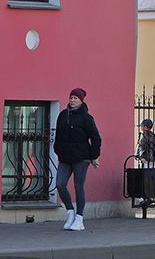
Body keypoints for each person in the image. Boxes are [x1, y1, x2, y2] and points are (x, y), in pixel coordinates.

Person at [54, 88, 101, 231]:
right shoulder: (63, 115)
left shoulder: (86, 118)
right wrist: (58, 152)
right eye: (71, 98)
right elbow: (58, 135)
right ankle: (70, 212)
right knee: (60, 184)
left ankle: (79, 219)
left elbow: (96, 138)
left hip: (81, 157)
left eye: (75, 98)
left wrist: (94, 156)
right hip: (65, 157)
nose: (72, 101)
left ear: (81, 100)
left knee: (78, 186)